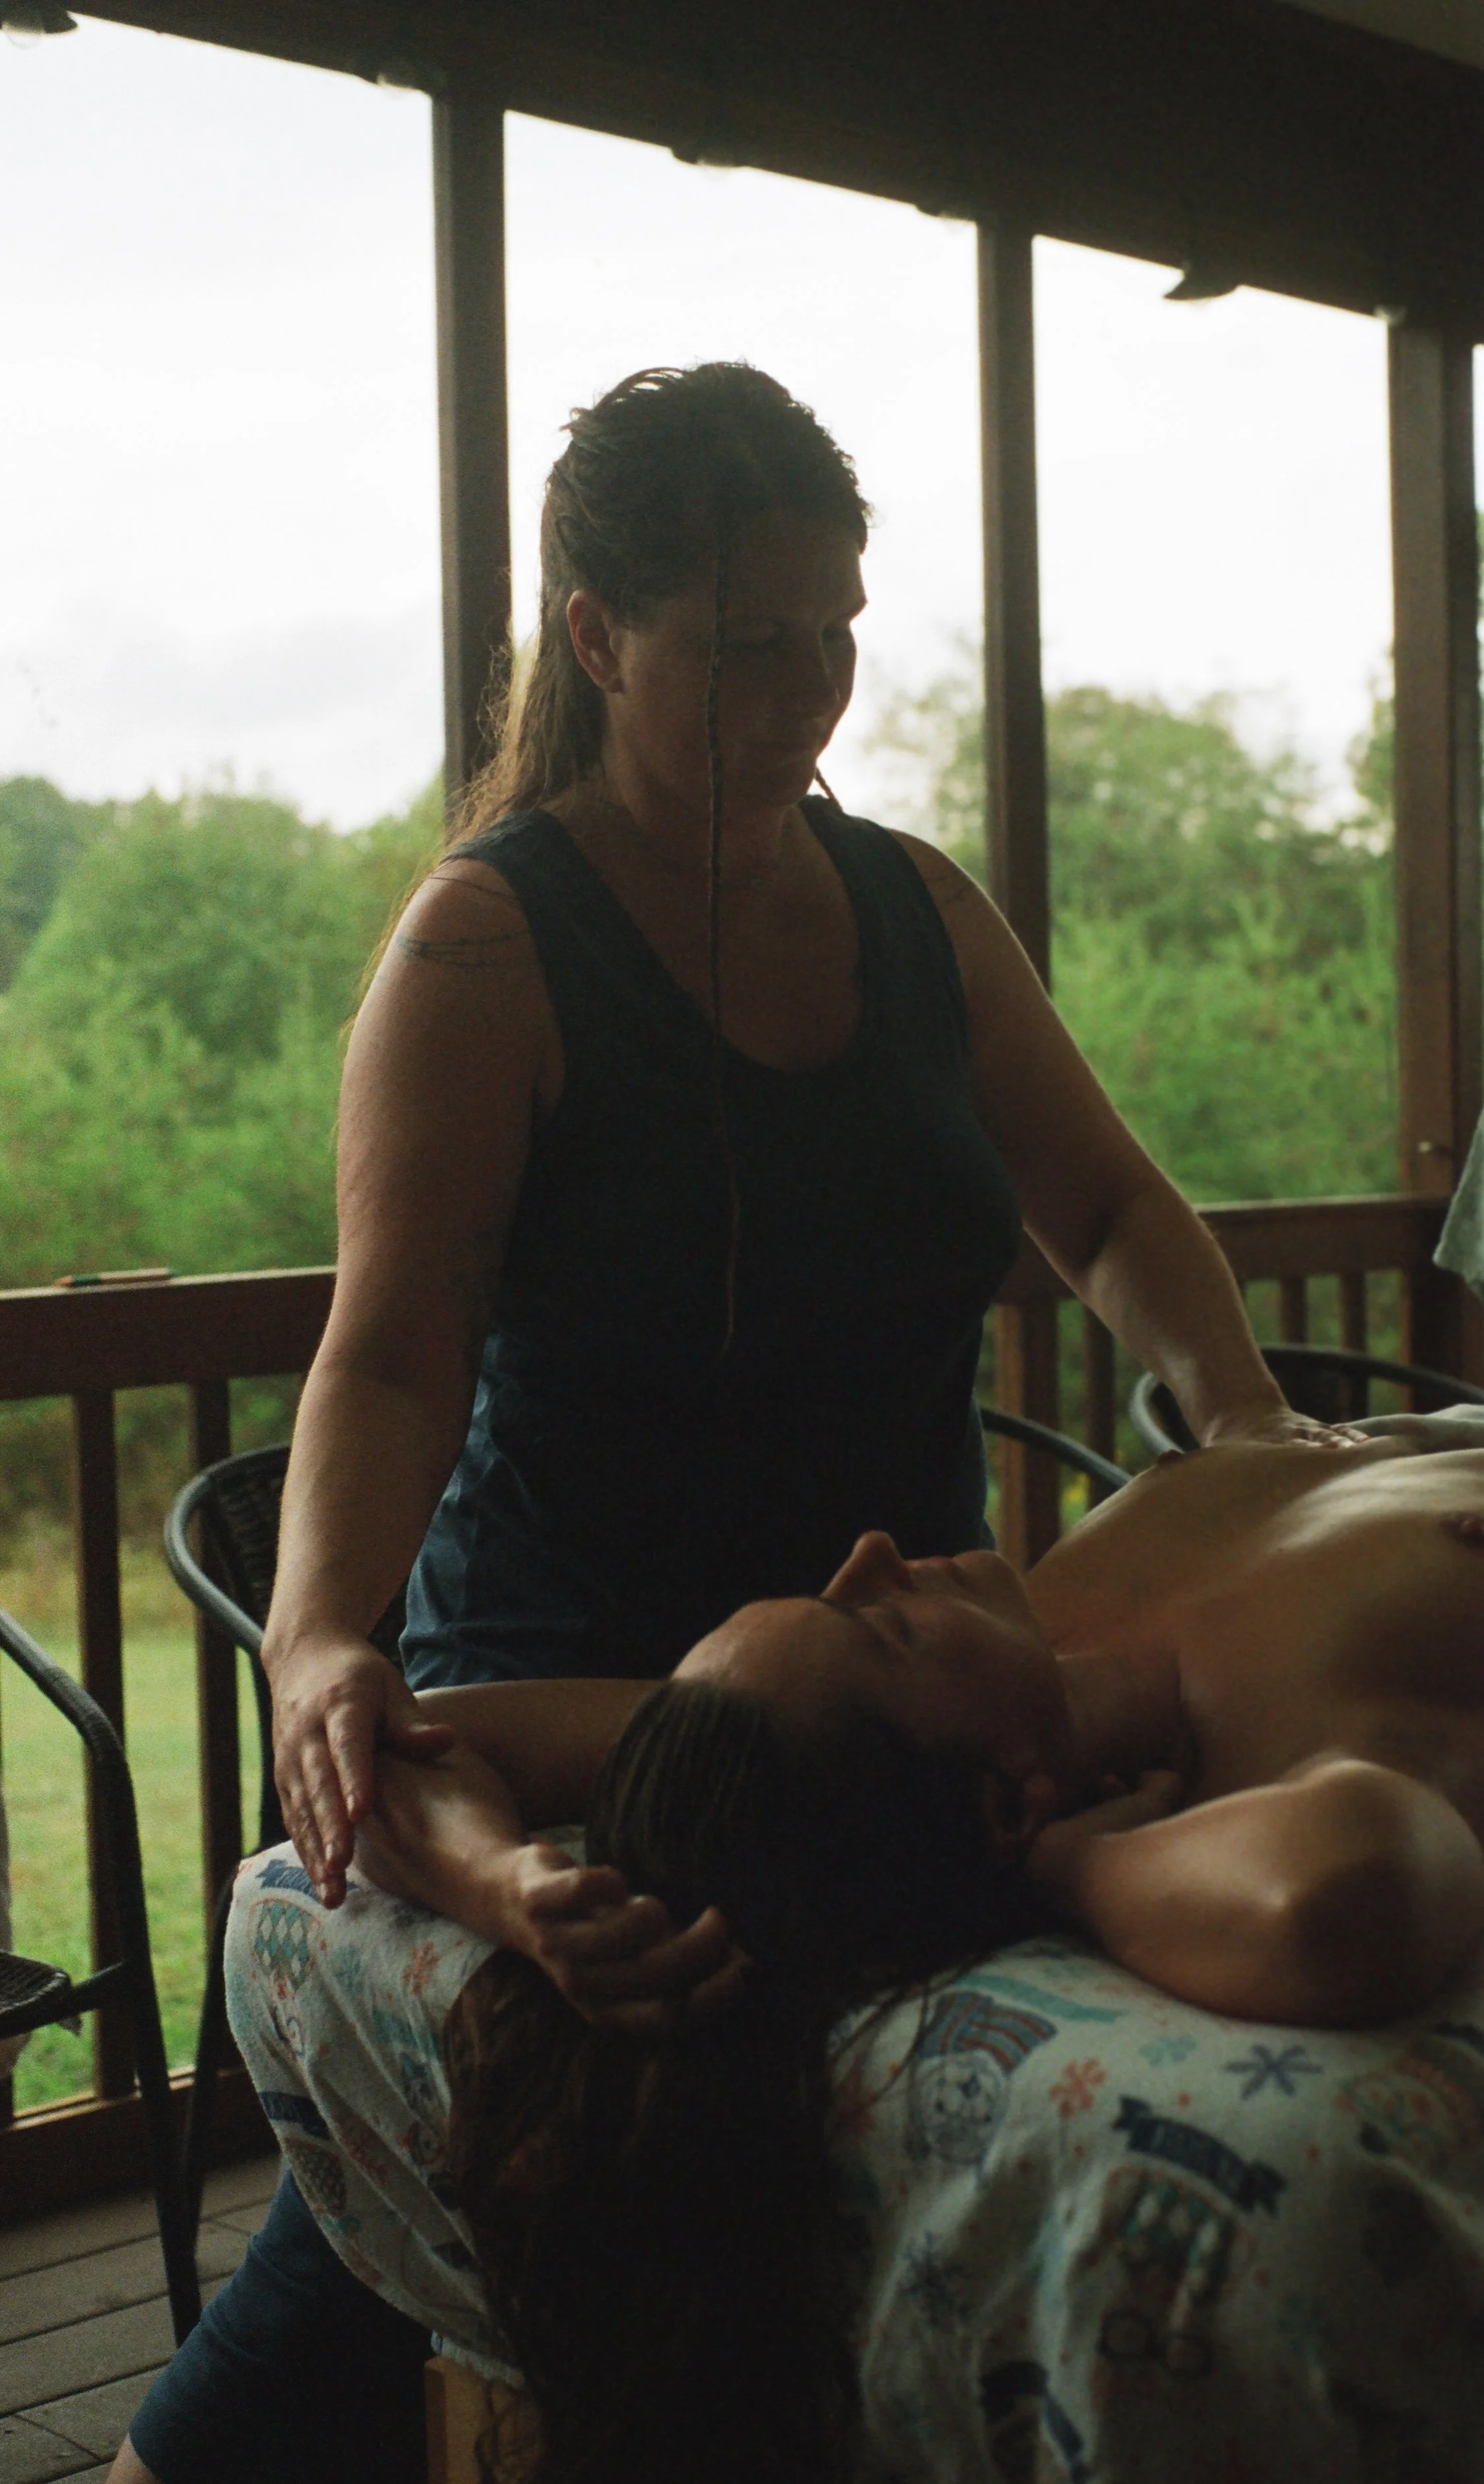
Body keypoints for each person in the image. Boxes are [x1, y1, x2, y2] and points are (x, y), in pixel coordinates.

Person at [113, 359, 1335, 2484]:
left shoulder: (917, 909)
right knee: (516, 2181)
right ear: (597, 638)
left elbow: (1117, 1207)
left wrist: (1228, 1404)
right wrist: (323, 1633)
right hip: (605, 1676)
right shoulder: (489, 949)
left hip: (895, 1688)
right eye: (750, 642)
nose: (813, 688)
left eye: (838, 629)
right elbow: (389, 1354)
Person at [193, 1413, 1484, 2484]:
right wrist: (1076, 1866)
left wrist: (504, 1882)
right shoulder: (1291, 1728)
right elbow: (1342, 1894)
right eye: (882, 1625)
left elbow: (416, 1738)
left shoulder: (1002, 1658)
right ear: (1007, 1804)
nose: (873, 1552)